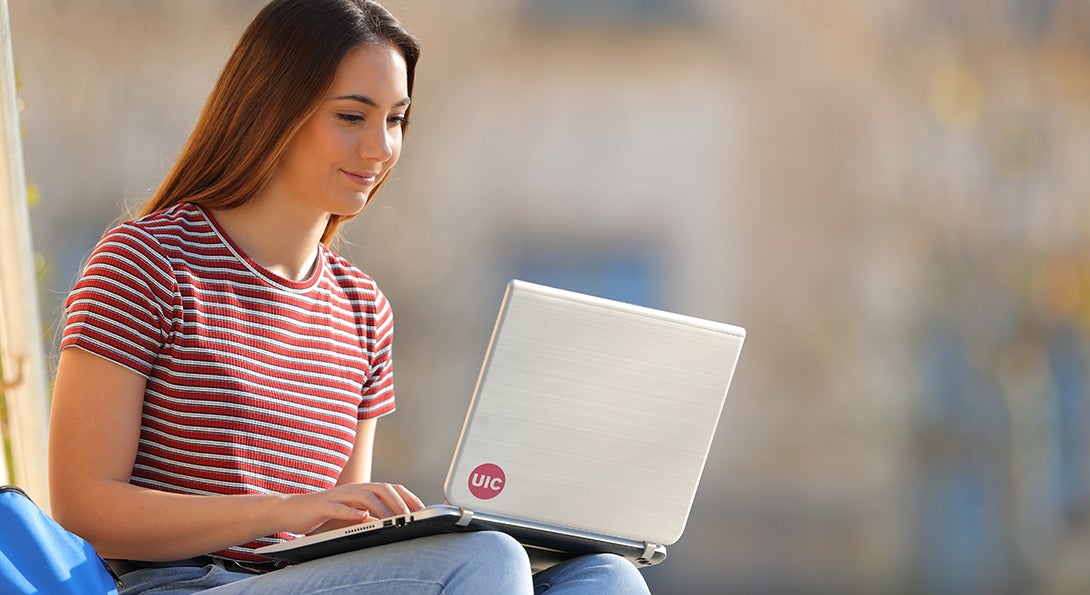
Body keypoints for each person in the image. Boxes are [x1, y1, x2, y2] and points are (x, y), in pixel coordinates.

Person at [46, 1, 652, 594]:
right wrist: (284, 509)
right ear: (272, 109)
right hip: (182, 584)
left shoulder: (362, 307)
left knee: (607, 576)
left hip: (312, 583)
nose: (381, 149)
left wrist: (390, 522)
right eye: (352, 116)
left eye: (395, 120)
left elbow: (338, 529)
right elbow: (84, 506)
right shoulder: (147, 260)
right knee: (482, 560)